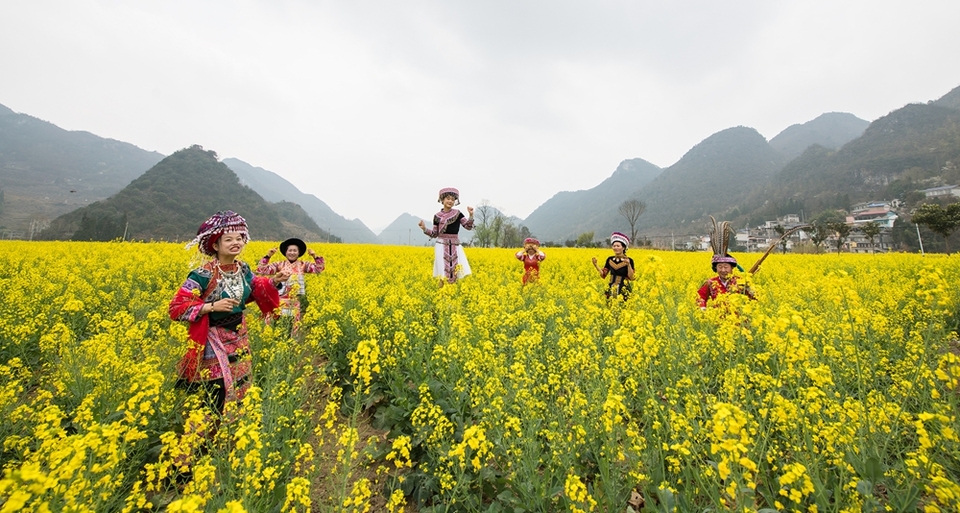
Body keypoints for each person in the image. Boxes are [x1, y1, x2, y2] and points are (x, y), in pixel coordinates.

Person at [169, 211, 287, 414]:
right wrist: (212, 307)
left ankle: (231, 433)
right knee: (216, 391)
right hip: (213, 339)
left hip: (239, 336)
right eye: (229, 239)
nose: (237, 243)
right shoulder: (202, 274)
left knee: (240, 386)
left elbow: (255, 288)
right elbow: (176, 307)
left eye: (240, 238)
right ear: (215, 245)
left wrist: (275, 281)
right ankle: (204, 438)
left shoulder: (242, 269)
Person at [256, 237, 325, 323]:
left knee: (290, 327)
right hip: (278, 301)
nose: (292, 253)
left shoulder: (303, 265)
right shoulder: (280, 264)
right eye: (290, 250)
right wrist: (268, 256)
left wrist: (314, 256)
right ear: (286, 252)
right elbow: (262, 269)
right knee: (276, 326)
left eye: (295, 251)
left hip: (293, 302)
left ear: (299, 253)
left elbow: (319, 269)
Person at [418, 187, 474, 285]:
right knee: (442, 273)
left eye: (453, 199)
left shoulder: (458, 214)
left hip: (455, 246)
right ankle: (442, 295)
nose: (450, 201)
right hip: (441, 245)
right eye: (448, 198)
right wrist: (424, 228)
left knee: (455, 271)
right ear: (442, 199)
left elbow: (468, 226)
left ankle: (452, 295)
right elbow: (434, 234)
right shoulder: (437, 216)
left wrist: (471, 215)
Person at [697, 217, 755, 309]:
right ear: (716, 268)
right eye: (720, 267)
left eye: (725, 267)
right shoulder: (710, 283)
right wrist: (703, 310)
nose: (723, 270)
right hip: (718, 321)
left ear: (732, 268)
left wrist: (748, 288)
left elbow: (755, 299)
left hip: (739, 321)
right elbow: (700, 297)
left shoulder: (741, 281)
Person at [592, 231, 635, 299]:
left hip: (623, 290)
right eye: (614, 246)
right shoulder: (610, 259)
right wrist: (596, 265)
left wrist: (628, 264)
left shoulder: (629, 260)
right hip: (611, 288)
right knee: (610, 307)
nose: (615, 248)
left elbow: (631, 277)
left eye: (618, 246)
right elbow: (603, 274)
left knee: (623, 308)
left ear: (623, 248)